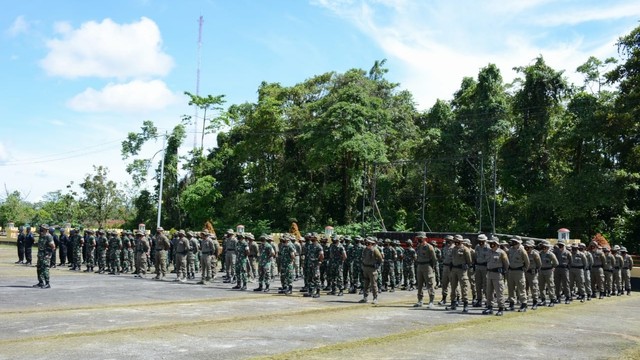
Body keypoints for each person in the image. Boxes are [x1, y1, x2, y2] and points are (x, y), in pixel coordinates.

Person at [483, 237, 509, 316]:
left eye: (493, 243)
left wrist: (503, 271)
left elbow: (506, 264)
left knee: (499, 292)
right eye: (490, 243)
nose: (491, 245)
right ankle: (489, 307)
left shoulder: (501, 253)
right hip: (489, 273)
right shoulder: (488, 252)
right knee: (489, 291)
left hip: (497, 274)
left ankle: (501, 307)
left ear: (497, 244)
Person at [447, 235, 473, 313]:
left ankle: (465, 304)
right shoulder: (453, 249)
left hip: (462, 270)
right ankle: (453, 303)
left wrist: (466, 265)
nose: (456, 243)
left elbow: (469, 261)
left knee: (464, 287)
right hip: (454, 269)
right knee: (453, 287)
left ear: (461, 241)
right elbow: (452, 258)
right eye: (455, 241)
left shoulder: (465, 249)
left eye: (457, 241)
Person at [413, 232, 437, 308]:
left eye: (420, 238)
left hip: (427, 267)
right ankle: (420, 300)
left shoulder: (429, 247)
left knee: (429, 284)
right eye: (418, 238)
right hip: (420, 266)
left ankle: (431, 301)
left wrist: (432, 268)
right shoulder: (418, 247)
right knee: (419, 284)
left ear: (424, 238)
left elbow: (434, 259)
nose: (418, 239)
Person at [507, 236, 530, 312]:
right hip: (511, 271)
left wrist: (524, 269)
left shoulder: (522, 251)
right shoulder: (510, 250)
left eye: (515, 242)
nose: (513, 243)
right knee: (510, 288)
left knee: (521, 288)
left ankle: (524, 303)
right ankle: (511, 303)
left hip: (519, 272)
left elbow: (527, 262)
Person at [359, 238, 383, 304]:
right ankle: (365, 297)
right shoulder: (365, 249)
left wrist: (377, 266)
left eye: (368, 243)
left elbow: (380, 259)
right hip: (365, 268)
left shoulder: (375, 250)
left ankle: (375, 298)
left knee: (373, 284)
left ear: (371, 243)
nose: (367, 244)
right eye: (366, 243)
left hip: (372, 269)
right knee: (365, 284)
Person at [304, 233, 324, 298]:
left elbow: (321, 255)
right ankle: (310, 291)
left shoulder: (319, 246)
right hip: (310, 264)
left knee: (316, 278)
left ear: (315, 238)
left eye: (312, 237)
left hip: (315, 265)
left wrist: (319, 261)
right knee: (309, 278)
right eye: (310, 237)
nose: (311, 238)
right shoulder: (310, 245)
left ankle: (318, 292)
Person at [538, 241, 558, 307]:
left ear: (548, 247)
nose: (544, 248)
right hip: (541, 271)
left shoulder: (550, 254)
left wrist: (552, 267)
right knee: (541, 286)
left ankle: (552, 299)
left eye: (545, 247)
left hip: (548, 271)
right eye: (543, 247)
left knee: (550, 285)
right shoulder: (540, 253)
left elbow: (556, 263)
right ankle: (543, 300)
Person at [473, 234, 490, 307]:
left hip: (485, 267)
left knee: (486, 284)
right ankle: (479, 299)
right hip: (478, 266)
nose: (480, 242)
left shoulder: (488, 248)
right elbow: (475, 256)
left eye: (482, 241)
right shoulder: (477, 247)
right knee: (478, 284)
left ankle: (488, 299)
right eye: (479, 241)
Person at [524, 240, 541, 309]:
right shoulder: (524, 253)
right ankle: (525, 302)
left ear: (531, 247)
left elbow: (539, 264)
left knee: (534, 288)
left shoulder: (535, 254)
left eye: (528, 247)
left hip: (532, 273)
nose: (527, 248)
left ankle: (535, 302)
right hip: (525, 272)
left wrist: (535, 270)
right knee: (524, 288)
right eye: (526, 246)